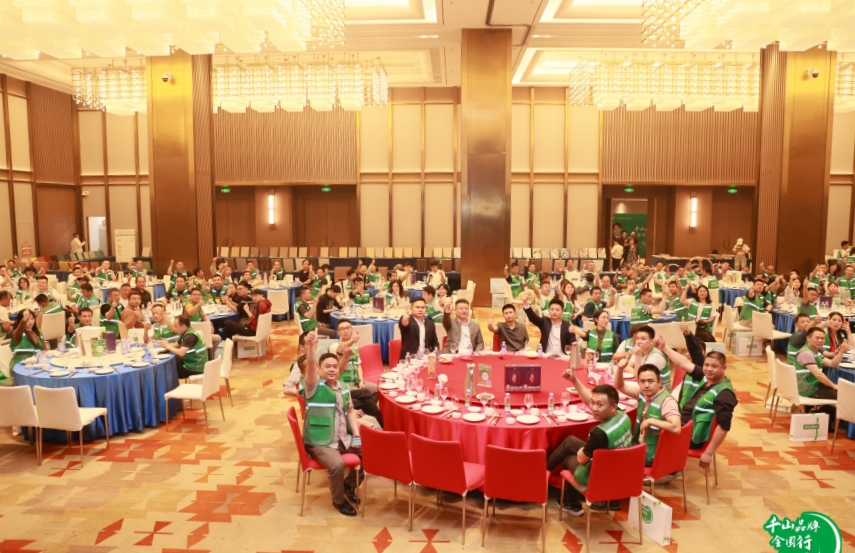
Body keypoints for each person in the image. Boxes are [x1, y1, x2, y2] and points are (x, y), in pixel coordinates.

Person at [301, 330, 363, 516]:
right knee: (337, 465)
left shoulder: (343, 386)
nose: (332, 369)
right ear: (319, 369)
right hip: (321, 440)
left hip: (343, 437)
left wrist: (356, 435)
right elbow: (310, 365)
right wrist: (312, 347)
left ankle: (348, 485)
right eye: (326, 366)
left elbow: (350, 411)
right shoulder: (313, 386)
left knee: (369, 453)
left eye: (335, 366)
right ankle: (338, 501)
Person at [548, 379, 632, 515]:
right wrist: (574, 380)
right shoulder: (623, 415)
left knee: (568, 458)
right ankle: (543, 470)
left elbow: (581, 459)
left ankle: (572, 505)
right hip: (619, 467)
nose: (594, 407)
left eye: (600, 404)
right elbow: (593, 401)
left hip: (600, 474)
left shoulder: (599, 434)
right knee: (570, 441)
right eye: (593, 403)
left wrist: (583, 450)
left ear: (613, 407)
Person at [656, 324, 738, 457]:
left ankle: (663, 466)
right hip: (682, 425)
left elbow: (724, 427)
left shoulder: (725, 394)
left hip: (691, 436)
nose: (709, 369)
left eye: (714, 366)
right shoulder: (706, 377)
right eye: (706, 365)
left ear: (724, 368)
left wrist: (708, 452)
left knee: (651, 432)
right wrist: (664, 348)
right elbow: (684, 363)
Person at [614, 364, 682, 467]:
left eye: (650, 381)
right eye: (642, 381)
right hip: (640, 445)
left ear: (659, 382)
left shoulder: (667, 401)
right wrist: (620, 370)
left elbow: (676, 428)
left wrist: (651, 421)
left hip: (653, 454)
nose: (646, 385)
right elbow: (620, 386)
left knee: (612, 457)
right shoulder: (643, 394)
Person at [792, 327, 848, 424]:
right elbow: (818, 375)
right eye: (817, 338)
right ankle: (817, 417)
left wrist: (841, 352)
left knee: (842, 394)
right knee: (843, 397)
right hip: (808, 389)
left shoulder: (815, 352)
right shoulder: (806, 353)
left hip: (814, 386)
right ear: (808, 338)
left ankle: (824, 419)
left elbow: (833, 364)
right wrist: (834, 385)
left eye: (822, 338)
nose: (820, 341)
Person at [331, 319, 382, 425]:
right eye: (342, 329)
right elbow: (341, 349)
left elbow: (358, 366)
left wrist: (361, 380)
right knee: (364, 393)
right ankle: (372, 416)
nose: (346, 330)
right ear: (338, 332)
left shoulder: (355, 347)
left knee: (377, 390)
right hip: (343, 384)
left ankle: (364, 410)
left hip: (356, 381)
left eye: (348, 328)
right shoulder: (334, 346)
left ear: (352, 329)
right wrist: (352, 341)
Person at [282, 332, 310, 397]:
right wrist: (303, 394)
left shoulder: (318, 357)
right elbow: (286, 389)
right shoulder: (300, 365)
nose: (313, 346)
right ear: (302, 347)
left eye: (315, 343)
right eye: (309, 344)